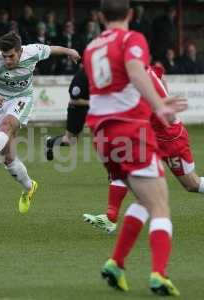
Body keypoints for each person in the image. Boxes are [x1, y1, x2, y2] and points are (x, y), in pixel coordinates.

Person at [83, 0, 186, 295]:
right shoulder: (131, 38)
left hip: (102, 136)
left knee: (143, 199)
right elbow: (136, 72)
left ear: (100, 16)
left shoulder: (91, 48)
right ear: (129, 14)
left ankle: (116, 262)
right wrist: (159, 106)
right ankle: (159, 274)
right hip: (130, 131)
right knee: (161, 204)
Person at [0, 32, 80, 213]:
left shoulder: (32, 51)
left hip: (22, 99)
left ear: (20, 51)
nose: (8, 60)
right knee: (8, 159)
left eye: (11, 56)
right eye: (5, 56)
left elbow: (53, 49)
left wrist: (70, 51)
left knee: (6, 126)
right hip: (0, 103)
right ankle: (29, 187)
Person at [83, 65, 204, 232]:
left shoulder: (135, 76)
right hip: (149, 135)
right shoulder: (138, 67)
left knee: (191, 184)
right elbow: (160, 75)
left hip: (170, 137)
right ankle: (110, 217)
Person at [45, 67, 89, 161]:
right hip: (77, 110)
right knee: (70, 141)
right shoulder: (81, 76)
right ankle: (50, 142)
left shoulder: (94, 71)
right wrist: (94, 102)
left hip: (87, 109)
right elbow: (74, 100)